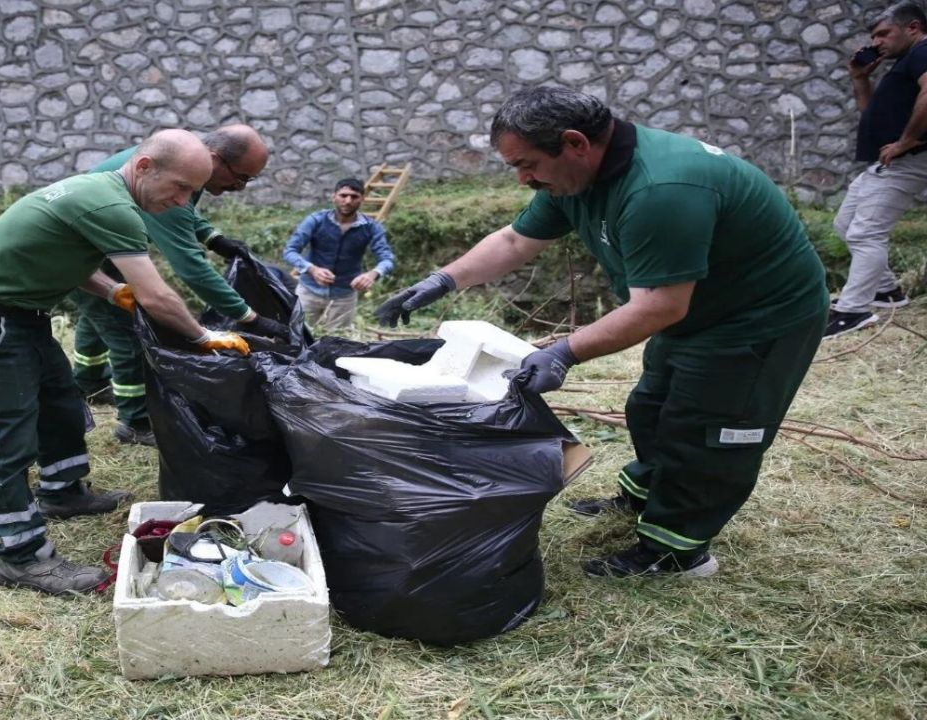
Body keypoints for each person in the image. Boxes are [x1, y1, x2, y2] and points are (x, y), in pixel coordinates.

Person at [375, 87, 829, 579]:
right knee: (651, 408)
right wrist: (444, 279)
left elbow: (658, 306)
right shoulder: (576, 180)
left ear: (575, 143)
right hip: (697, 311)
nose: (524, 179)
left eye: (526, 164)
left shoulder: (661, 190)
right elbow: (513, 241)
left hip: (756, 319)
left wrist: (564, 352)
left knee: (709, 433)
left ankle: (677, 552)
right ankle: (645, 498)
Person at [0, 129, 250, 596]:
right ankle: (21, 557)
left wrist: (107, 289)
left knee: (60, 406)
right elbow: (156, 294)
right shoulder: (113, 207)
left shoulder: (102, 195)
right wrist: (204, 335)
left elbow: (68, 256)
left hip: (23, 318)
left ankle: (63, 493)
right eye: (179, 188)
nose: (183, 203)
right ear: (144, 167)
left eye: (191, 192)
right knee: (5, 439)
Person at [71, 124, 288, 446]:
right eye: (240, 177)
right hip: (80, 259)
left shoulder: (183, 167)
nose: (240, 188)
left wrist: (215, 239)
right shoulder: (171, 173)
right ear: (215, 158)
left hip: (97, 250)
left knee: (97, 318)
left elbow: (184, 214)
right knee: (131, 336)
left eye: (248, 181)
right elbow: (192, 268)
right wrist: (249, 318)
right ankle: (135, 421)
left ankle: (87, 381)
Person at [827, 1, 925, 338]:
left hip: (909, 159)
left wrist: (906, 141)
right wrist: (860, 78)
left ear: (912, 28)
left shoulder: (923, 52)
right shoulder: (904, 64)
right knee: (846, 225)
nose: (877, 42)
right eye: (873, 36)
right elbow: (871, 115)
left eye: (884, 33)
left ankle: (852, 312)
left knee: (866, 233)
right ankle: (886, 292)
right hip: (891, 161)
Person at [284, 178, 396, 332]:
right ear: (334, 196)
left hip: (344, 297)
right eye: (343, 195)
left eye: (354, 196)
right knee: (298, 337)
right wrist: (312, 269)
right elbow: (290, 251)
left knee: (336, 342)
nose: (348, 201)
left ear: (362, 199)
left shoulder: (372, 227)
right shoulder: (315, 220)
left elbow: (387, 259)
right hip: (308, 292)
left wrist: (372, 274)